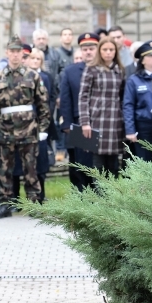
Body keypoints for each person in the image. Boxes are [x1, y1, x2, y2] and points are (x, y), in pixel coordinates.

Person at [0, 35, 50, 219]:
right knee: (5, 170)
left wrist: (43, 129)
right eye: (11, 51)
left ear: (23, 54)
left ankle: (34, 204)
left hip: (29, 130)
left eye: (18, 51)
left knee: (31, 169)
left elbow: (44, 105)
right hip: (5, 131)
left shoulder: (33, 76)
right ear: (6, 53)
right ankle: (4, 204)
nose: (14, 55)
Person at [79, 37, 125, 177]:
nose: (108, 53)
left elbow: (123, 96)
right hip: (97, 119)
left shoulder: (120, 70)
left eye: (111, 50)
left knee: (113, 163)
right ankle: (98, 196)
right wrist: (85, 122)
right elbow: (83, 97)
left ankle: (112, 196)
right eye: (105, 49)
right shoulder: (91, 69)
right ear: (100, 51)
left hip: (115, 120)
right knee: (98, 163)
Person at [60, 33, 99, 191]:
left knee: (100, 161)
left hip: (102, 122)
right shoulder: (71, 72)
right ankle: (83, 196)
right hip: (79, 122)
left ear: (97, 49)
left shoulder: (104, 69)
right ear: (81, 51)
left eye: (91, 48)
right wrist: (68, 124)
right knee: (81, 162)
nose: (88, 52)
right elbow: (65, 99)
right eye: (85, 49)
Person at [24, 47, 57, 201]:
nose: (35, 61)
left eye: (38, 59)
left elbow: (51, 98)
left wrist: (46, 115)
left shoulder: (47, 76)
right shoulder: (24, 76)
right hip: (25, 123)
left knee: (41, 161)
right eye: (33, 58)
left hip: (42, 123)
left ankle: (41, 194)